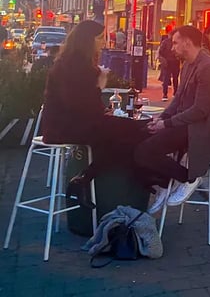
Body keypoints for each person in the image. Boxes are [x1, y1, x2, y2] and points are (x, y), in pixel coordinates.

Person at [41, 20, 150, 209]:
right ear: (87, 41)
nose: (103, 43)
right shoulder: (72, 67)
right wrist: (100, 84)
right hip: (64, 127)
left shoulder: (78, 64)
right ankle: (137, 179)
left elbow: (89, 109)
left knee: (131, 130)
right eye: (100, 38)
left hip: (77, 123)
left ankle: (85, 179)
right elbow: (80, 107)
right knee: (132, 131)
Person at [134, 25, 210, 213]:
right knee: (138, 135)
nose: (172, 47)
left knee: (145, 151)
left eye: (176, 43)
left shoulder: (209, 67)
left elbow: (200, 111)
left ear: (187, 42)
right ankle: (164, 182)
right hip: (184, 122)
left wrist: (166, 124)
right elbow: (178, 99)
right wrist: (162, 116)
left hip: (202, 128)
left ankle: (188, 178)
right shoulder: (189, 65)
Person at [158, 30, 180, 101]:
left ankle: (172, 93)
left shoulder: (167, 42)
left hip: (174, 62)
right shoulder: (166, 42)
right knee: (167, 79)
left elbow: (160, 52)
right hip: (168, 62)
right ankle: (166, 94)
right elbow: (160, 52)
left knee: (173, 79)